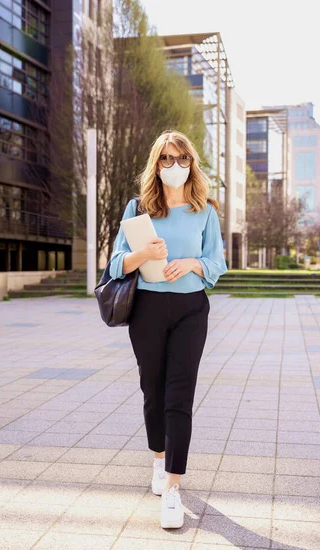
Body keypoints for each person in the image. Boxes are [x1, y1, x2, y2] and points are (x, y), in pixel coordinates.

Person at [109, 130, 227, 529]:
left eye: (181, 159)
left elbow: (217, 264)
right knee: (152, 389)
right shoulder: (138, 207)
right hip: (148, 309)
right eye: (166, 159)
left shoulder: (205, 209)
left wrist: (192, 262)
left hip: (191, 309)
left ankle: (173, 489)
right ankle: (158, 458)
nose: (174, 166)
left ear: (191, 163)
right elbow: (115, 265)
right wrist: (145, 252)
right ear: (155, 164)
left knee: (180, 395)